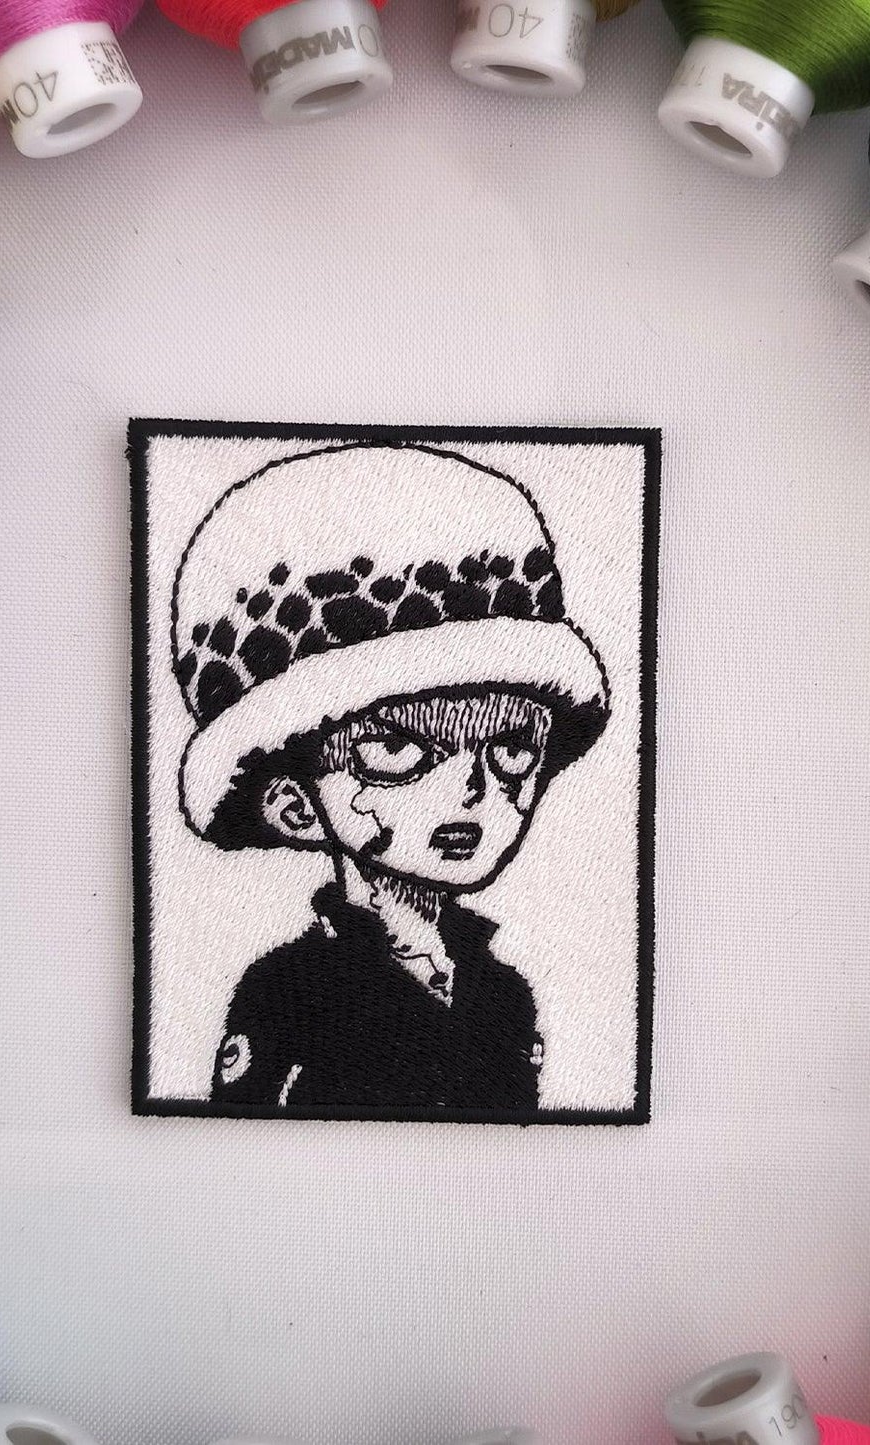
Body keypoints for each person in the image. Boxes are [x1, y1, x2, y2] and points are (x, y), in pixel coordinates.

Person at [170, 441, 611, 1114]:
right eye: (398, 750)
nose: (472, 788)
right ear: (295, 807)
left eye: (511, 747)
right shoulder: (287, 991)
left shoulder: (505, 995)